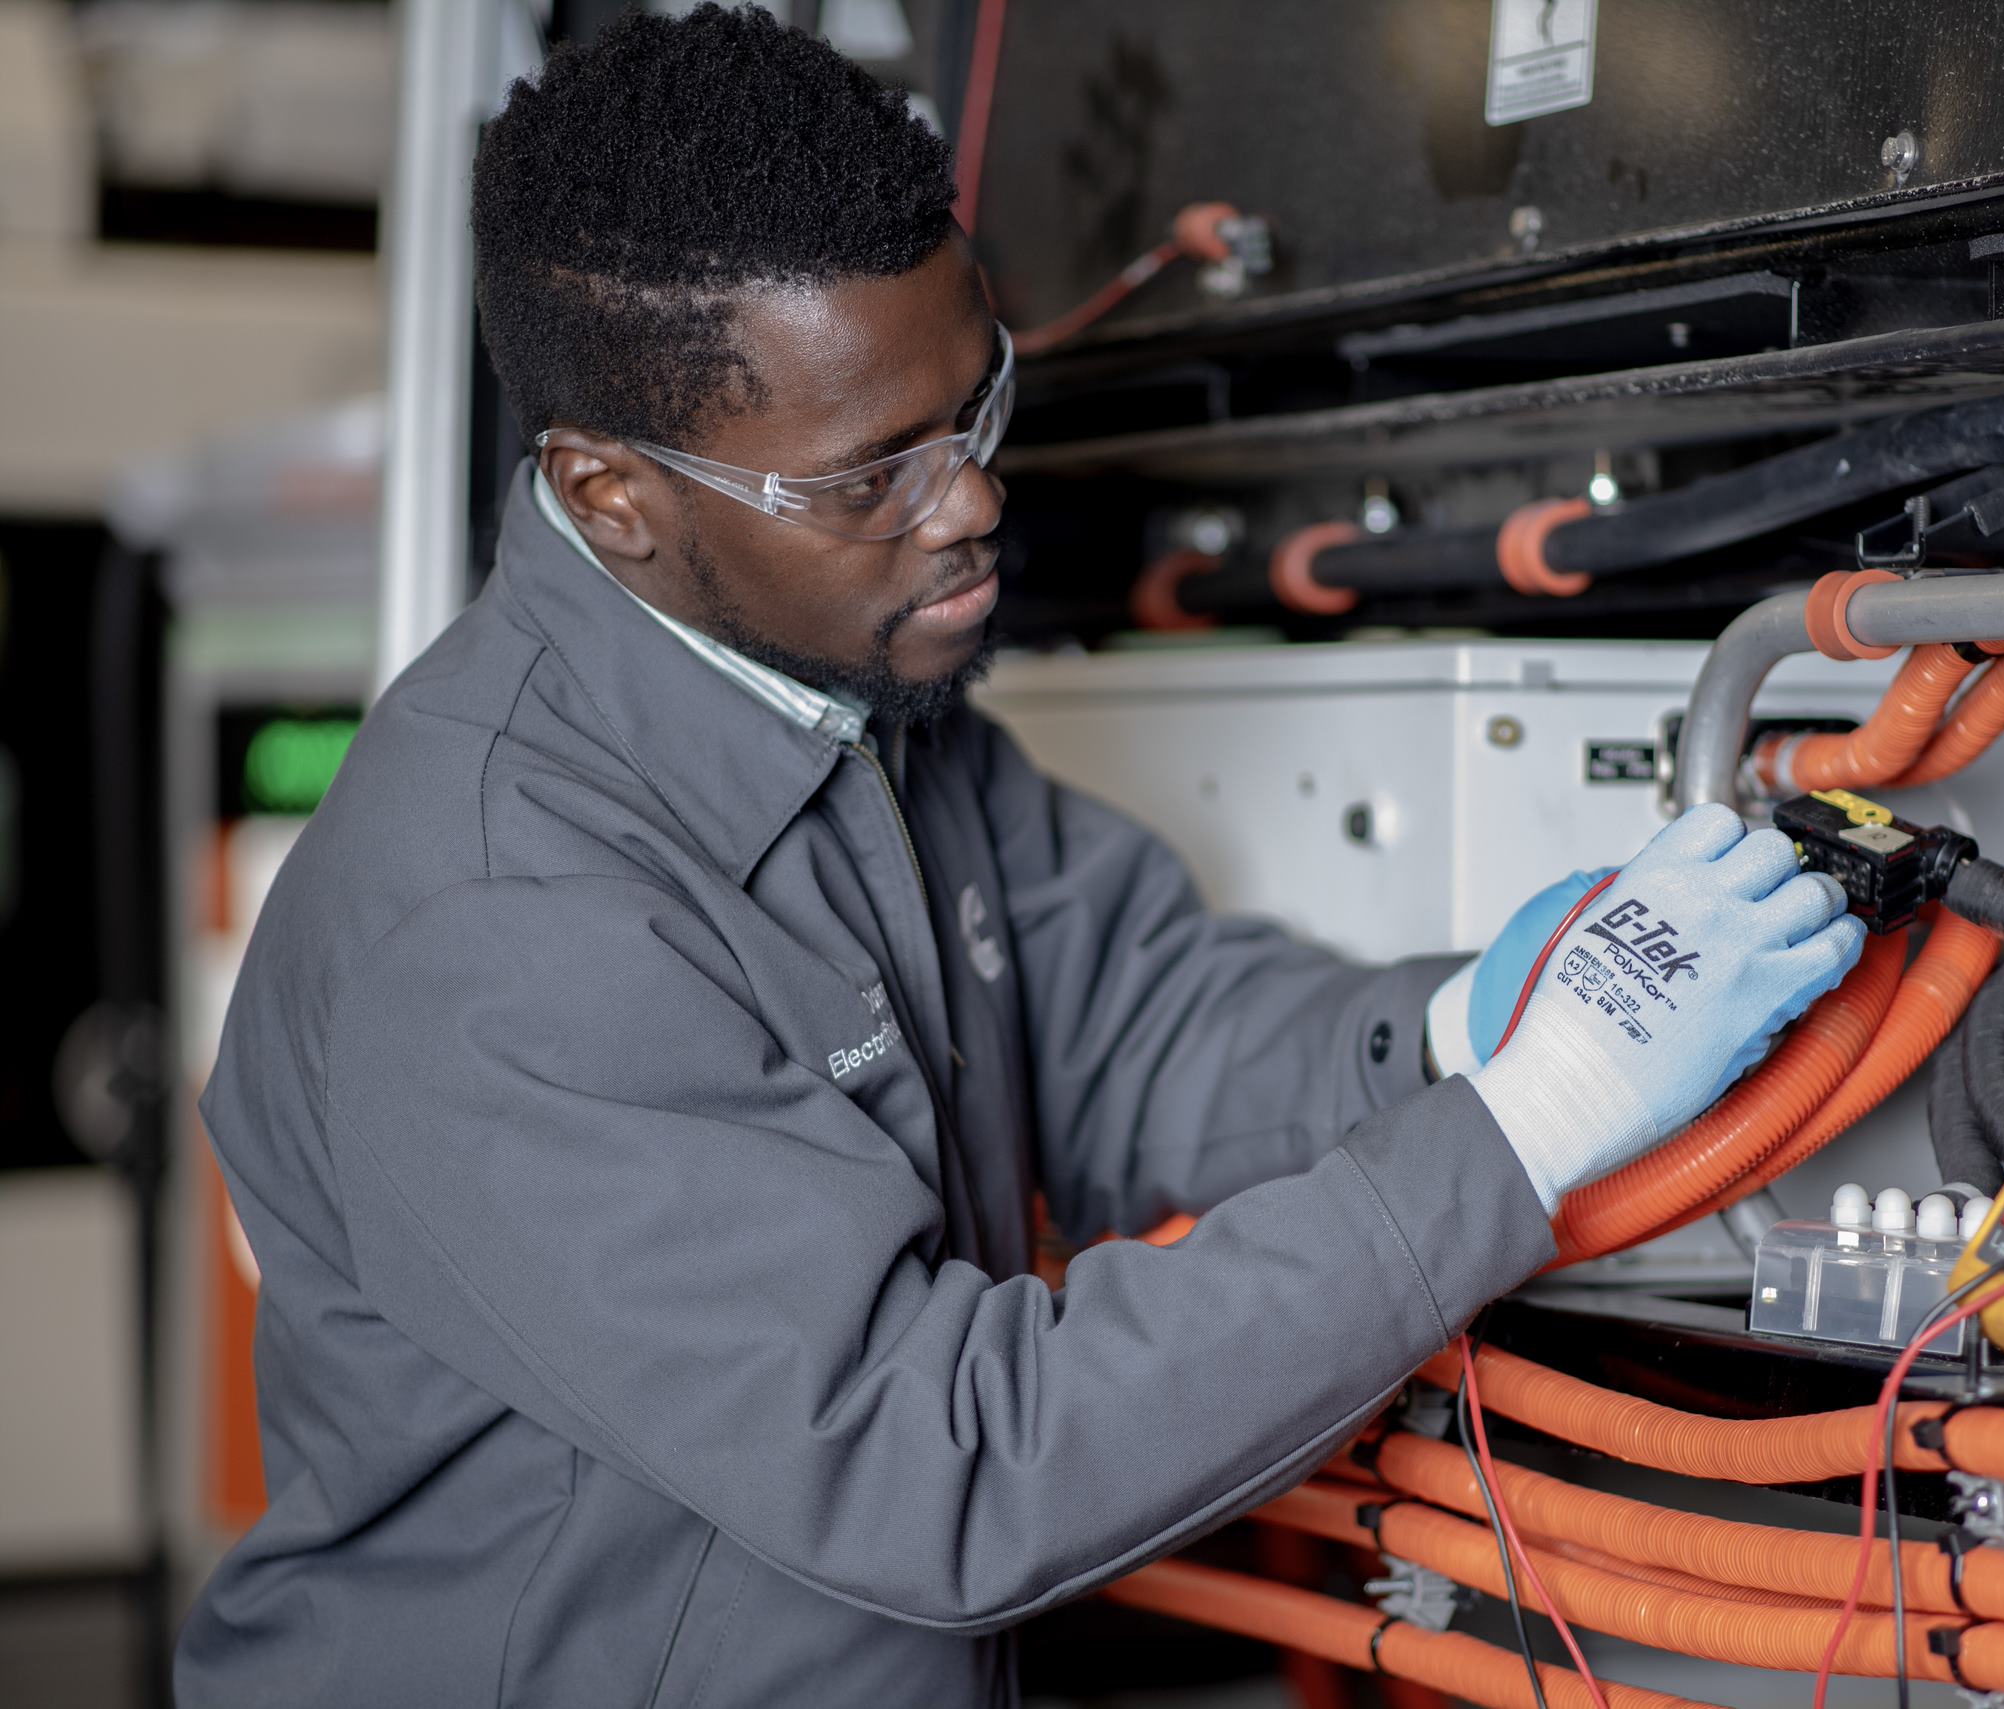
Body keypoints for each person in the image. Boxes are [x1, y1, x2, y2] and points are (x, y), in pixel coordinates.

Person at [174, 10, 1860, 1704]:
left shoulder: (844, 688)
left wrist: (1459, 1023)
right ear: (612, 492)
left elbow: (1125, 1022)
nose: (968, 501)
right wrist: (1535, 1116)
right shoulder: (498, 926)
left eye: (973, 401)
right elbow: (942, 1459)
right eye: (869, 476)